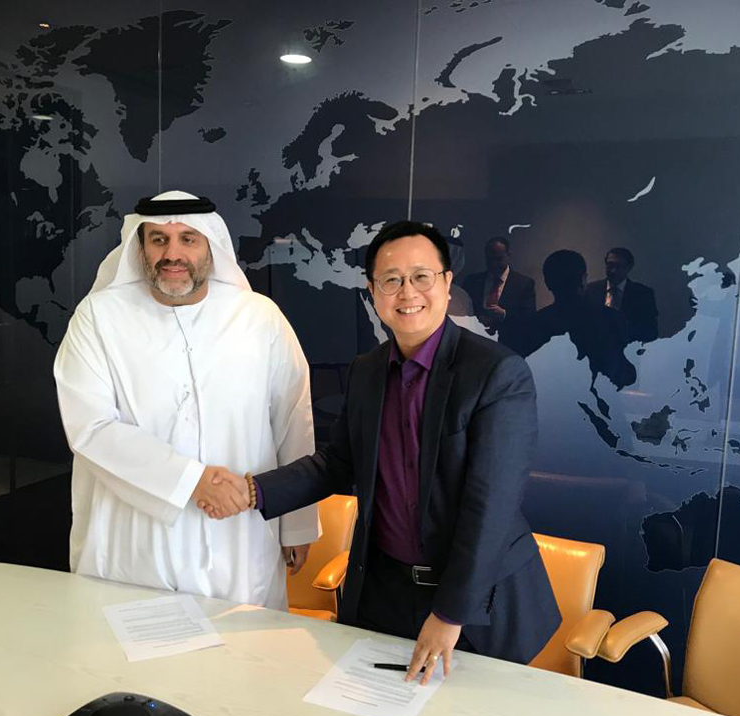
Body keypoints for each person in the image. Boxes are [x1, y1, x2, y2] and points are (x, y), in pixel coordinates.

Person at [202, 220, 560, 684]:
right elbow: (337, 463)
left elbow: (491, 506)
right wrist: (252, 491)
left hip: (477, 605)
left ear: (447, 283)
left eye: (421, 276)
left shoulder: (497, 373)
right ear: (373, 291)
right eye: (391, 279)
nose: (407, 292)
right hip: (383, 593)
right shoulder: (367, 370)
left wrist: (450, 613)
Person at [53, 190, 319, 608]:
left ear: (210, 246)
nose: (172, 254)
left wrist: (297, 526)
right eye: (158, 240)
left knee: (245, 647)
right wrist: (192, 481)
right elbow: (92, 428)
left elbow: (293, 423)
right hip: (133, 546)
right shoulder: (98, 317)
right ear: (140, 248)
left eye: (188, 239)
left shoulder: (259, 317)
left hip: (238, 541)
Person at [523, 249, 636, 390]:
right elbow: (624, 374)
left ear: (547, 283)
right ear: (583, 280)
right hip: (600, 400)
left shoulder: (534, 324)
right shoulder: (612, 318)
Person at [462, 236, 537, 344]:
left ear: (508, 255)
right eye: (489, 259)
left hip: (509, 343)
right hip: (474, 341)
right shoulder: (472, 281)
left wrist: (504, 314)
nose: (493, 263)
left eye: (498, 259)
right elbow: (462, 310)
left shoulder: (524, 284)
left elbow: (529, 317)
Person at [585, 247, 659, 343]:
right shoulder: (591, 290)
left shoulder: (643, 294)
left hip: (628, 347)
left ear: (629, 267)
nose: (613, 270)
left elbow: (651, 331)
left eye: (618, 266)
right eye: (610, 265)